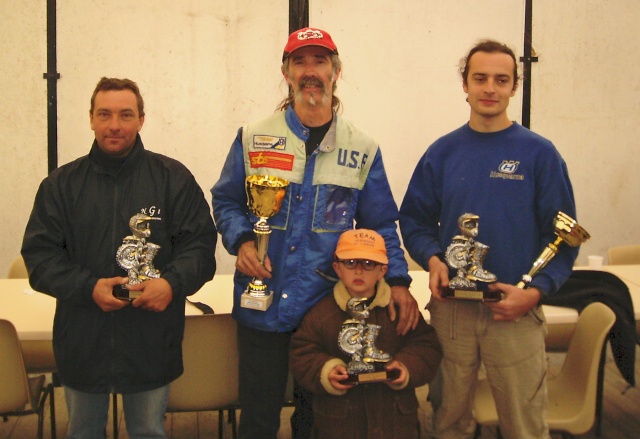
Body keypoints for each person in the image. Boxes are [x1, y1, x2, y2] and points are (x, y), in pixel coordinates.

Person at [211, 27, 420, 439]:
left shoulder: (362, 147)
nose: (310, 71)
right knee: (257, 418)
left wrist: (397, 280)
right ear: (286, 72)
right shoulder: (253, 136)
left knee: (320, 421)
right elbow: (226, 201)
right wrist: (242, 240)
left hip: (326, 310)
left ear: (336, 71)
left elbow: (379, 224)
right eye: (300, 61)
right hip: (262, 302)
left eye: (319, 61)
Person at [399, 40, 578, 439]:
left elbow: (564, 237)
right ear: (465, 84)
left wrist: (535, 293)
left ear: (515, 87)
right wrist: (432, 259)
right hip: (452, 315)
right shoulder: (442, 153)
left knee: (525, 425)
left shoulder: (540, 154)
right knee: (448, 421)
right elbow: (413, 220)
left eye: (501, 80)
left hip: (515, 312)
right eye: (480, 78)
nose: (490, 89)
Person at [21, 77, 217, 438]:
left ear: (141, 119)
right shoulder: (61, 186)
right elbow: (40, 257)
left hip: (151, 339)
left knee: (147, 431)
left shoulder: (172, 179)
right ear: (91, 119)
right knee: (83, 432)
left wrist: (170, 285)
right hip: (83, 337)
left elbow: (201, 248)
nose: (115, 125)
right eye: (105, 114)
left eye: (126, 114)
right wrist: (88, 288)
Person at [289, 229, 442, 439]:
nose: (359, 271)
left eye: (369, 264)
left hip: (395, 424)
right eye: (350, 262)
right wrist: (326, 371)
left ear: (383, 270)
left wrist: (407, 366)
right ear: (337, 268)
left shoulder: (400, 312)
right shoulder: (320, 314)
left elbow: (426, 347)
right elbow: (302, 354)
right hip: (340, 426)